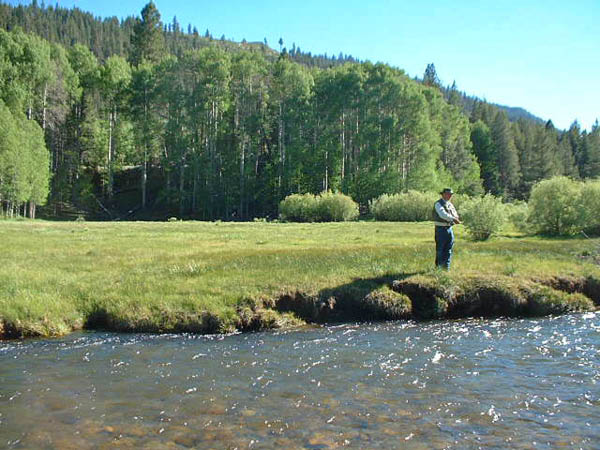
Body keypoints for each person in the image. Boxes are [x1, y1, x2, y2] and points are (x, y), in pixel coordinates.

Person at [433, 188, 461, 270]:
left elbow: (455, 214)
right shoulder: (438, 204)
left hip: (449, 228)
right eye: (448, 194)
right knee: (440, 249)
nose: (450, 196)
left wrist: (456, 218)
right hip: (440, 229)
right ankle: (438, 268)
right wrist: (453, 219)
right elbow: (442, 214)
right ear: (443, 194)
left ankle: (446, 268)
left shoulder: (450, 204)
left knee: (449, 249)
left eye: (451, 194)